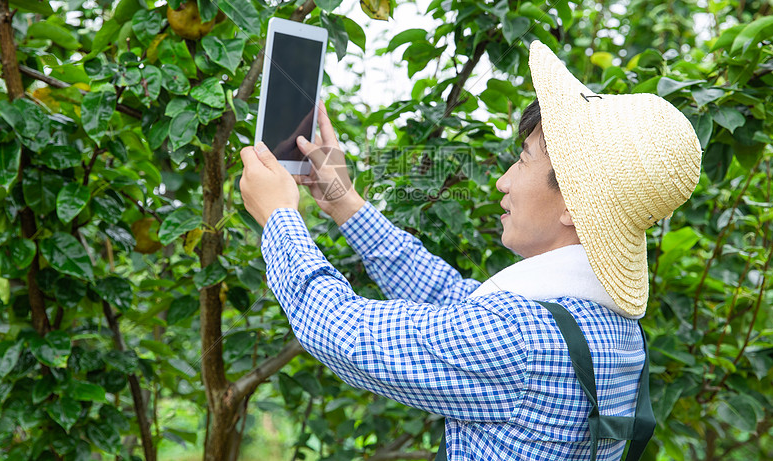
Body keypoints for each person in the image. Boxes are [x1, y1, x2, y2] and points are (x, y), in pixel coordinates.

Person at [238, 41, 702, 460]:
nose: (503, 181)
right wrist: (345, 204)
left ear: (571, 205)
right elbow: (454, 297)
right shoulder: (608, 327)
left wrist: (280, 217)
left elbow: (344, 332)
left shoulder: (519, 339)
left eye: (523, 160)